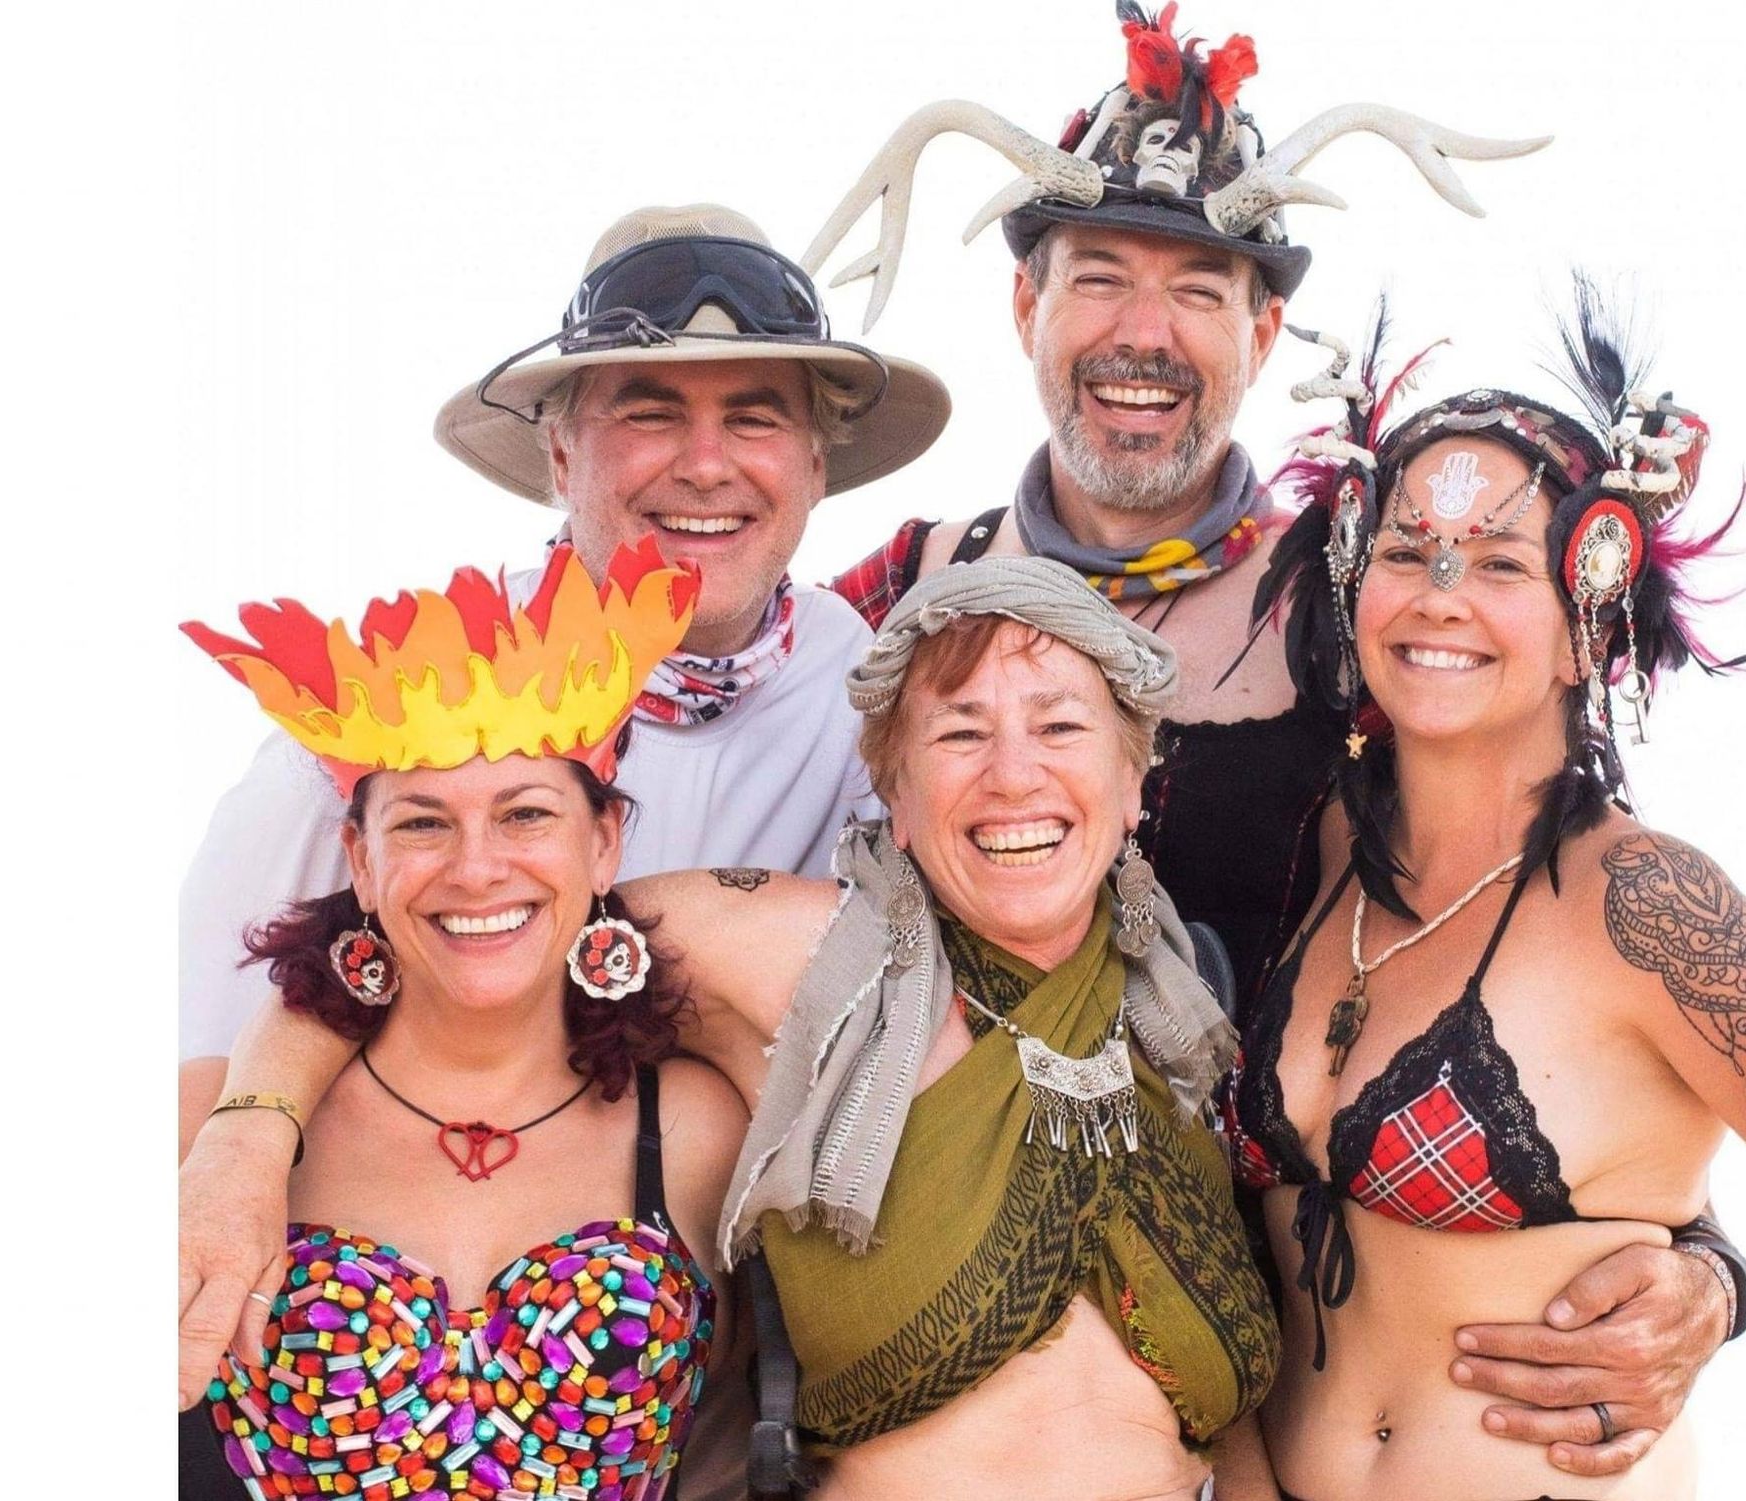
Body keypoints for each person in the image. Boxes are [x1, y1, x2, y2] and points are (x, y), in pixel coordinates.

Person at [812, 3, 1741, 1478]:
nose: (1144, 331)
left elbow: (1556, 929)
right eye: (1100, 277)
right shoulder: (896, 599)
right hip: (961, 1374)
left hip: (1277, 1386)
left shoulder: (1371, 609)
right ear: (1023, 311)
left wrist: (1700, 1254)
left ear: (1260, 333)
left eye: (1201, 289)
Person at [192, 555, 1284, 1499]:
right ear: (892, 793)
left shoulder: (1181, 1018)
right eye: (959, 732)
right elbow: (455, 940)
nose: (1013, 776)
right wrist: (247, 1131)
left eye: (1059, 726)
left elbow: (1215, 1418)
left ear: (1135, 776)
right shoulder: (782, 951)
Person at [1226, 289, 1746, 1497]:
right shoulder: (1327, 846)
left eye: (1498, 563)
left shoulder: (1646, 905)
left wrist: (1721, 1291)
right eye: (1405, 553)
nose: (1440, 595)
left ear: (1584, 615)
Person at [181, 202, 950, 1059]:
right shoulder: (397, 702)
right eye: (649, 414)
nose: (704, 465)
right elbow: (197, 1065)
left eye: (754, 417)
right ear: (560, 457)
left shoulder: (864, 687)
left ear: (815, 463)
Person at [176, 537, 748, 1500]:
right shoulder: (211, 1121)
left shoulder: (696, 1126)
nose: (476, 868)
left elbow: (737, 1448)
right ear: (359, 860)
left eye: (525, 815)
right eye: (423, 822)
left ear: (604, 843)